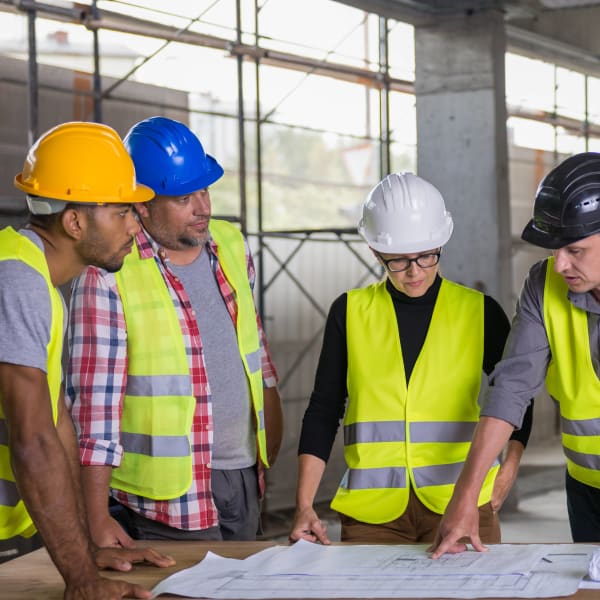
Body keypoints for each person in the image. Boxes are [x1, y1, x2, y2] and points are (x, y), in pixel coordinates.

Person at [67, 116, 283, 547]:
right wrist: (93, 518)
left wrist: (268, 444)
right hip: (165, 499)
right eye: (185, 198)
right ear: (143, 204)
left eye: (204, 190)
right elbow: (93, 408)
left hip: (242, 475)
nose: (203, 207)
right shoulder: (110, 273)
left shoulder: (231, 244)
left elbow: (254, 349)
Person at [289, 172, 533, 545]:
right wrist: (304, 503)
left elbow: (518, 395)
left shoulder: (478, 312)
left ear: (440, 244)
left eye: (426, 256)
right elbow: (324, 408)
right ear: (375, 252)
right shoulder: (350, 312)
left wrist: (509, 467)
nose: (415, 271)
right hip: (372, 513)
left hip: (462, 503)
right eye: (398, 261)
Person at [0, 122, 175, 600]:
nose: (136, 227)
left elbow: (56, 422)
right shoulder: (17, 281)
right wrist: (81, 580)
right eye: (122, 213)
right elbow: (33, 441)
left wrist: (84, 551)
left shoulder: (40, 282)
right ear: (75, 222)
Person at [430, 151, 600, 557]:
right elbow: (510, 388)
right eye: (555, 250)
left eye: (574, 250)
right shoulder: (544, 284)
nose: (559, 264)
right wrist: (465, 496)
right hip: (587, 491)